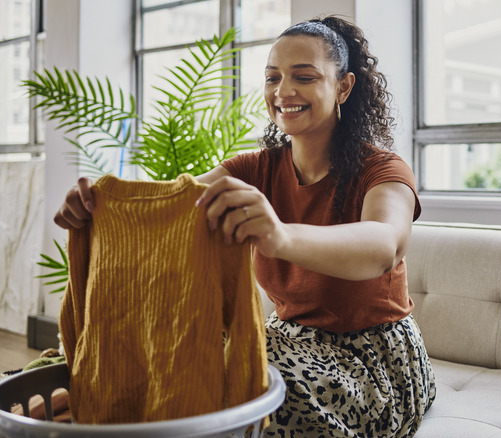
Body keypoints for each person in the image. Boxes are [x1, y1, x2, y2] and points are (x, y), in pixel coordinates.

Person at [54, 15, 436, 437]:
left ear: (343, 86)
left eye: (304, 77)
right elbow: (167, 207)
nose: (283, 91)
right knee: (168, 359)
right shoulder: (253, 168)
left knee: (248, 394)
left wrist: (280, 234)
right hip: (285, 337)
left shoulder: (382, 169)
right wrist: (101, 205)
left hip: (371, 360)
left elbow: (383, 246)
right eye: (273, 78)